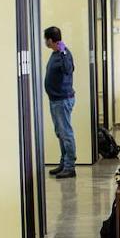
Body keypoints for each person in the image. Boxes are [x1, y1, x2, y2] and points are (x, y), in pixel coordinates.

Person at [43, 26, 77, 179]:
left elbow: (68, 69)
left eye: (46, 39)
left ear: (50, 40)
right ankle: (64, 162)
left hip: (63, 100)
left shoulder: (64, 53)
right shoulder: (55, 53)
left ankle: (70, 166)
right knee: (60, 133)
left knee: (66, 133)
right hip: (55, 100)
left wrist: (63, 52)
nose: (45, 42)